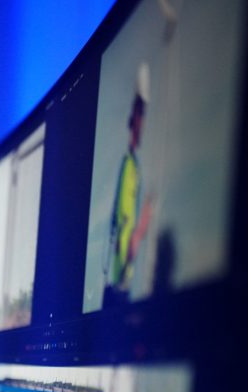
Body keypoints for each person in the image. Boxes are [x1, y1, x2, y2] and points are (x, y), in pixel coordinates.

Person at [104, 62, 153, 307]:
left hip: (119, 282)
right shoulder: (129, 167)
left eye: (143, 114)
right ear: (132, 119)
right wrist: (143, 223)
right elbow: (128, 235)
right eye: (139, 114)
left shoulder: (131, 165)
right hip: (120, 283)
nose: (142, 122)